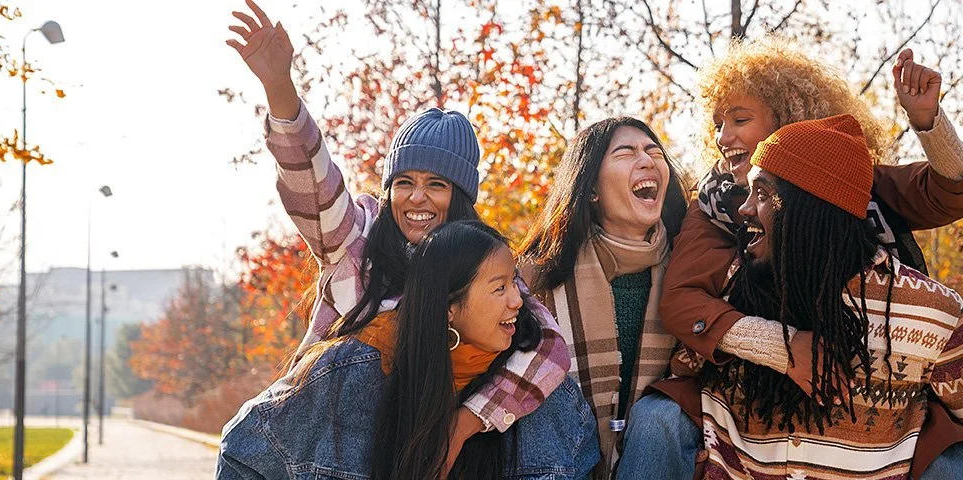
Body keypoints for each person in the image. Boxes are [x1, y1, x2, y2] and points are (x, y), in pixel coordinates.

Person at [222, 1, 574, 470]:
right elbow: (314, 185)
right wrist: (280, 89)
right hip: (338, 444)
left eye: (436, 185)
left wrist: (465, 422)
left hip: (429, 443)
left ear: (460, 196)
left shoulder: (481, 263)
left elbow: (548, 346)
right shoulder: (356, 243)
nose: (417, 198)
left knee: (552, 396)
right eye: (404, 182)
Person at [643, 36, 963, 477]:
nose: (723, 137)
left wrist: (928, 121)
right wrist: (784, 346)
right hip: (751, 393)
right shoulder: (713, 207)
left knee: (957, 460)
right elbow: (681, 300)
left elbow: (947, 195)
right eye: (717, 123)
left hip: (869, 391)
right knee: (657, 419)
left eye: (740, 119)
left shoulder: (846, 185)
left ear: (790, 117)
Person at [698, 115, 963, 479]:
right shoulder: (728, 289)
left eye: (762, 194)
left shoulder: (930, 311)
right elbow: (676, 383)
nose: (744, 209)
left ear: (808, 209)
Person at [219, 221, 600, 479]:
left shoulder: (549, 398)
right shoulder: (346, 376)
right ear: (448, 306)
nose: (518, 301)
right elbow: (245, 450)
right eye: (500, 288)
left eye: (515, 284)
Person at [516, 117, 690, 479]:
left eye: (654, 152)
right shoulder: (534, 281)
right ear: (591, 189)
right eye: (626, 153)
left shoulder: (689, 271)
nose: (646, 160)